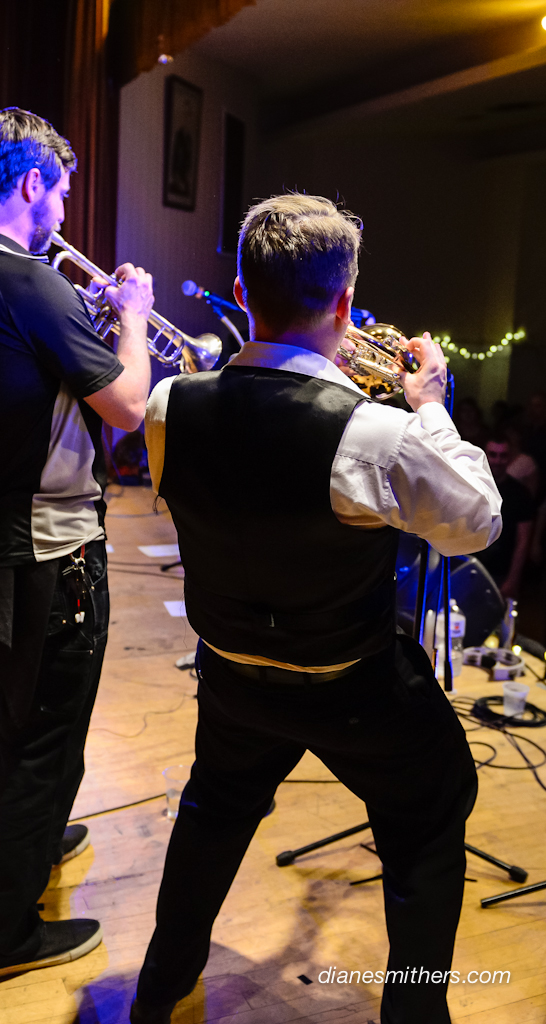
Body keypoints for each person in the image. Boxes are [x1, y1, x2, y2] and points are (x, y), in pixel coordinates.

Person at [131, 193, 501, 1024]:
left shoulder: (168, 405)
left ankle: (159, 989)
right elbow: (476, 522)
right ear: (343, 302)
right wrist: (430, 405)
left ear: (240, 288)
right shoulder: (375, 434)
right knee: (433, 811)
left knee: (213, 812)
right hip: (352, 685)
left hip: (232, 677)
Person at [0, 107, 154, 981]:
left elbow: (15, 376)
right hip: (51, 545)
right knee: (49, 735)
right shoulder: (29, 281)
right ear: (30, 183)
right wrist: (131, 317)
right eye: (60, 191)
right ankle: (2, 936)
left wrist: (81, 323)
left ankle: (39, 835)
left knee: (10, 716)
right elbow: (128, 407)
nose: (63, 210)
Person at [480, 431, 535, 599]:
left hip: (501, 573)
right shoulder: (473, 485)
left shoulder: (521, 494)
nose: (497, 461)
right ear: (485, 455)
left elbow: (523, 541)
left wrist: (512, 579)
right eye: (493, 455)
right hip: (469, 568)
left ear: (510, 458)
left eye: (503, 456)